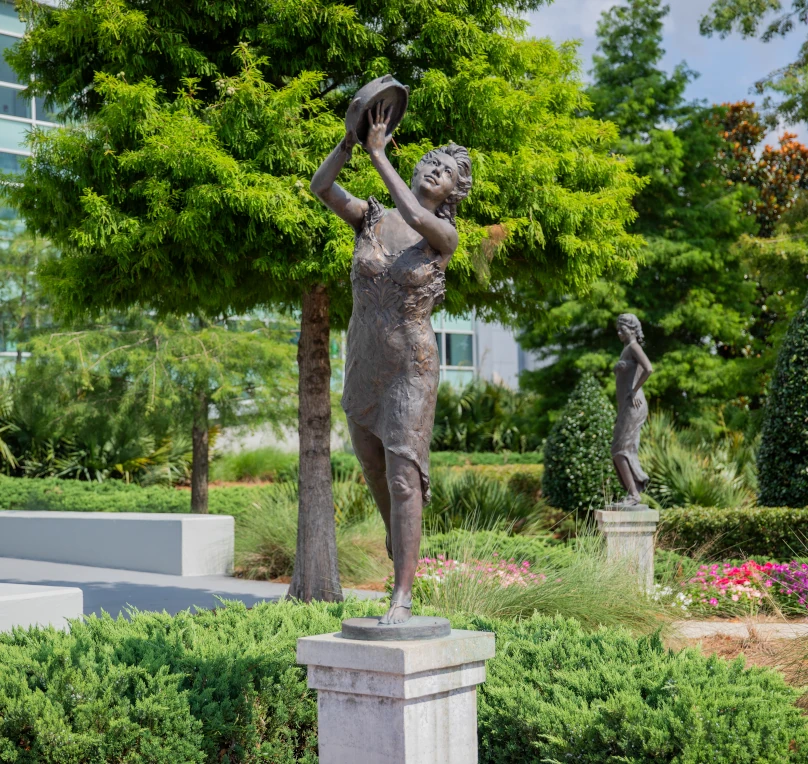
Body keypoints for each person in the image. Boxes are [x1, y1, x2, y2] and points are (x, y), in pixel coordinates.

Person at [311, 102, 472, 624]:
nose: (432, 170)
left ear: (454, 192)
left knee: (404, 477)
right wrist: (349, 143)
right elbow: (322, 189)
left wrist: (381, 156)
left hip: (411, 367)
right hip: (363, 360)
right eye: (429, 162)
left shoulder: (439, 238)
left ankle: (401, 594)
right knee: (373, 468)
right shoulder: (371, 218)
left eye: (444, 171)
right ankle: (400, 534)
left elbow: (415, 215)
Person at [612, 313, 653, 505]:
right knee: (618, 449)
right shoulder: (626, 350)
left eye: (623, 329)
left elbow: (648, 368)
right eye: (618, 329)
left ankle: (634, 495)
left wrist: (635, 391)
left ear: (633, 330)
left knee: (620, 449)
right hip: (626, 407)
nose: (619, 333)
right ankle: (632, 492)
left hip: (634, 405)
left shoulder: (634, 347)